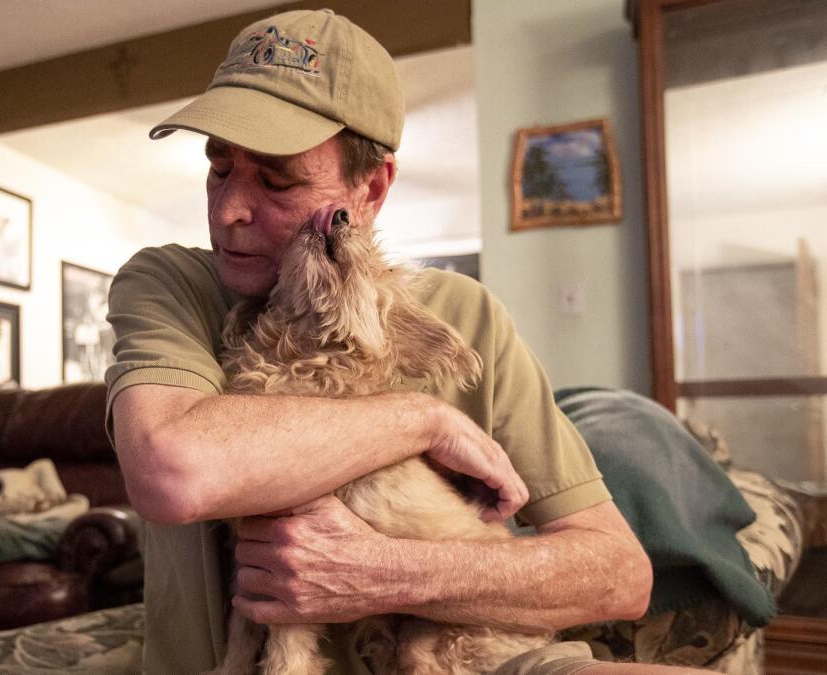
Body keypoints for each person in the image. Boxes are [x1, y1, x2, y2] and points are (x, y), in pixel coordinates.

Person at [105, 9, 674, 675]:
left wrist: (389, 572)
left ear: (370, 189)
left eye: (277, 178)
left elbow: (617, 575)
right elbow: (173, 469)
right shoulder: (169, 283)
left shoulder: (465, 315)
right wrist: (421, 420)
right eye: (219, 166)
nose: (229, 209)